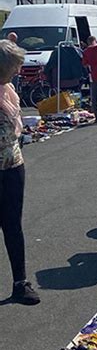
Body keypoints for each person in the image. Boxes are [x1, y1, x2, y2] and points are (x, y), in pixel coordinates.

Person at [0, 39, 40, 305]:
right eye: (14, 66)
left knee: (13, 225)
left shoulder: (9, 90)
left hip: (12, 166)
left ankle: (20, 283)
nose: (17, 71)